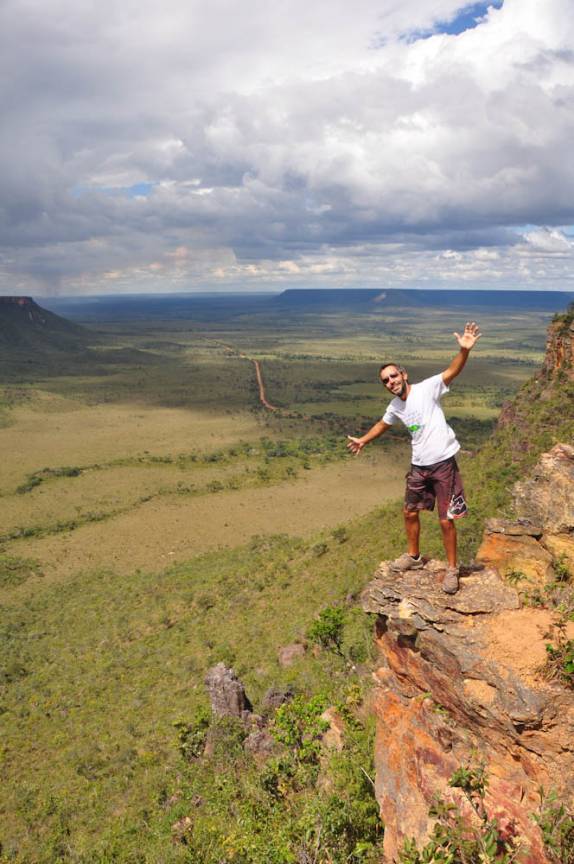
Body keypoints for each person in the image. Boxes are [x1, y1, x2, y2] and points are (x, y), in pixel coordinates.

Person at [346, 321, 482, 594]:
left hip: (443, 464)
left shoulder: (427, 388)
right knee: (409, 512)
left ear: (404, 374)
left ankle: (452, 569)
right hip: (419, 466)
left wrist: (464, 350)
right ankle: (414, 557)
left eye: (393, 376)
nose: (391, 382)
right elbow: (382, 424)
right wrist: (363, 440)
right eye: (386, 381)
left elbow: (452, 371)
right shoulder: (395, 406)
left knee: (446, 519)